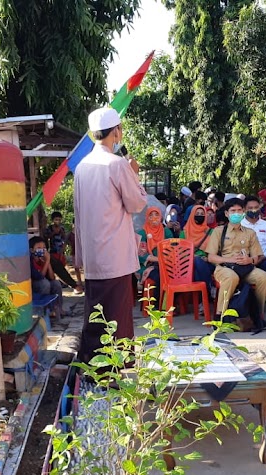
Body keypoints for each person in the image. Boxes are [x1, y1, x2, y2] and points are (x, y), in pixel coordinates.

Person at [73, 106, 147, 362]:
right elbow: (136, 203)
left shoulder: (82, 166)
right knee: (115, 315)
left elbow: (78, 215)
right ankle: (111, 369)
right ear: (116, 132)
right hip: (115, 254)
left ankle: (94, 367)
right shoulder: (117, 165)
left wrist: (79, 258)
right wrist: (135, 175)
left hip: (94, 255)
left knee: (96, 313)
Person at [205, 197, 266, 331]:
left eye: (239, 210)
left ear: (243, 212)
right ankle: (220, 317)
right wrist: (229, 260)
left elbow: (257, 257)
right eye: (233, 211)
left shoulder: (250, 233)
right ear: (226, 214)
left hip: (245, 267)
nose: (236, 213)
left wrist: (250, 260)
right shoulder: (219, 231)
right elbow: (211, 257)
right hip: (224, 267)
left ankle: (257, 315)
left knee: (264, 278)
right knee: (231, 277)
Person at [136, 206, 170, 300]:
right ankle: (157, 304)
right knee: (160, 275)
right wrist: (159, 260)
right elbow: (142, 255)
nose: (154, 218)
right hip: (148, 266)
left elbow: (172, 250)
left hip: (167, 264)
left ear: (161, 217)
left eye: (156, 215)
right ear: (147, 217)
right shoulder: (142, 233)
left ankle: (169, 303)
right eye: (151, 215)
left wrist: (164, 261)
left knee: (174, 276)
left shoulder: (166, 232)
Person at [29, 236, 64, 319]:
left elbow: (52, 277)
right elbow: (39, 277)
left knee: (56, 284)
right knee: (45, 283)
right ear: (31, 250)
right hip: (35, 286)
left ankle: (59, 309)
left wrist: (48, 263)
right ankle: (45, 310)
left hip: (45, 283)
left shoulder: (44, 259)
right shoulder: (31, 261)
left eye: (44, 248)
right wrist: (47, 262)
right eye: (38, 248)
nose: (42, 250)